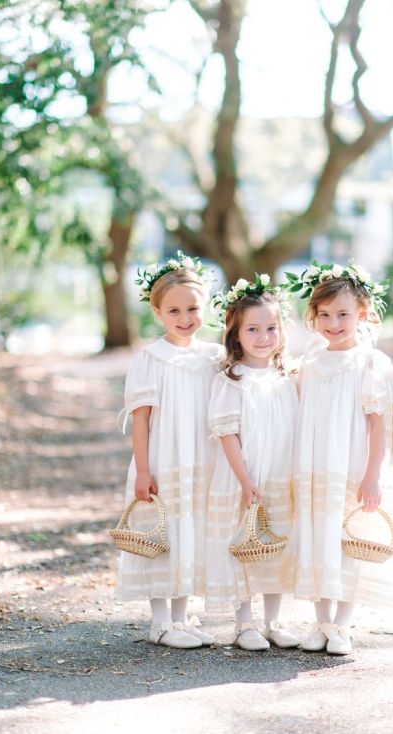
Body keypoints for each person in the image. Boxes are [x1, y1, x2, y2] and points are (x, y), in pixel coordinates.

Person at [288, 261, 393, 656]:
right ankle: (321, 620)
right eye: (324, 315)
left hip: (351, 461)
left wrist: (373, 475)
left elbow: (376, 425)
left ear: (363, 314)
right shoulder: (313, 360)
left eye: (343, 314)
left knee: (350, 538)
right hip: (315, 461)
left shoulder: (370, 362)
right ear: (313, 316)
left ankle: (343, 624)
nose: (333, 323)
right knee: (318, 534)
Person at [115, 251, 224, 649]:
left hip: (201, 460)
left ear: (205, 307)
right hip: (163, 459)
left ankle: (181, 618)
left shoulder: (213, 356)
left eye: (193, 308)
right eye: (174, 310)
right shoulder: (150, 358)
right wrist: (144, 471)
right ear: (157, 312)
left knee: (189, 533)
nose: (185, 317)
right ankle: (160, 621)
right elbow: (141, 419)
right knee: (160, 534)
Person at [205, 275, 300, 651]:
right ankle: (244, 624)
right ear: (236, 334)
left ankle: (274, 621)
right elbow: (228, 435)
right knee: (243, 545)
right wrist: (244, 481)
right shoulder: (232, 380)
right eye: (254, 329)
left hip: (281, 473)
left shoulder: (286, 376)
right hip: (245, 475)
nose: (264, 337)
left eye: (271, 328)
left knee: (276, 543)